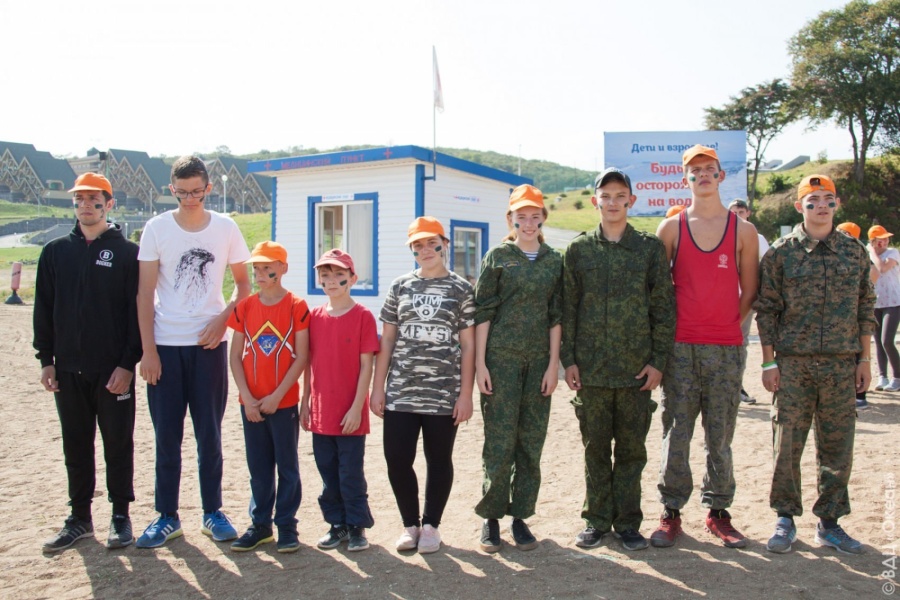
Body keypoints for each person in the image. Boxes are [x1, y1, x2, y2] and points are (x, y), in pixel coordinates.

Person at [135, 156, 251, 548]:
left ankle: (212, 512)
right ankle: (167, 516)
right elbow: (144, 294)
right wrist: (148, 351)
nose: (190, 199)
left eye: (197, 192)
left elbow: (243, 286)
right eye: (182, 192)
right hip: (166, 347)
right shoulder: (156, 228)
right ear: (172, 189)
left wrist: (223, 321)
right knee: (167, 438)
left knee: (210, 436)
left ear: (208, 189)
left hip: (209, 347)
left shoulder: (226, 227)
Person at [755, 174, 875, 554]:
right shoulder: (781, 253)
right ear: (799, 207)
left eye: (828, 199)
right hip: (794, 365)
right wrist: (768, 363)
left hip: (841, 365)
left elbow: (865, 307)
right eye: (813, 200)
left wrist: (865, 359)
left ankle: (831, 522)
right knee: (787, 443)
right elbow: (767, 310)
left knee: (838, 445)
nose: (821, 206)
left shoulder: (854, 252)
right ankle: (785, 518)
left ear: (837, 204)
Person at [653, 145, 759, 549]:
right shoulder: (671, 228)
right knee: (676, 432)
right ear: (686, 178)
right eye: (694, 170)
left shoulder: (743, 231)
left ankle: (718, 512)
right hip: (680, 348)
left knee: (720, 435)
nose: (702, 175)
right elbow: (659, 292)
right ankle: (671, 512)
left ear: (720, 176)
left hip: (726, 349)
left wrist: (726, 325)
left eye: (709, 169)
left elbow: (750, 290)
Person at [563, 169, 675, 551]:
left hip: (635, 372)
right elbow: (568, 308)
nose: (612, 202)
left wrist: (658, 361)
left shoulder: (648, 249)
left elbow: (663, 308)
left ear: (631, 201)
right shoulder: (579, 251)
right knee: (594, 450)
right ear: (595, 201)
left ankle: (628, 523)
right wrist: (568, 360)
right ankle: (596, 520)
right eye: (606, 195)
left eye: (620, 195)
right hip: (591, 372)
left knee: (631, 452)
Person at [33, 173, 142, 553]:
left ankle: (120, 516)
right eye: (79, 199)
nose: (85, 205)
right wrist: (46, 359)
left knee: (118, 443)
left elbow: (137, 314)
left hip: (113, 371)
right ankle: (79, 517)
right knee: (76, 444)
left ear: (108, 204)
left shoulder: (128, 254)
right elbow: (43, 308)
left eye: (94, 199)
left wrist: (128, 364)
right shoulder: (55, 252)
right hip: (67, 370)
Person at [370, 216, 475, 554]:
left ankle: (431, 526)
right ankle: (410, 525)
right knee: (397, 459)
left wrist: (466, 394)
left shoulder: (461, 289)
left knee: (439, 459)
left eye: (432, 243)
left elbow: (469, 345)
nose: (426, 250)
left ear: (444, 244)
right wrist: (378, 387)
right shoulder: (400, 286)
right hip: (401, 390)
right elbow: (387, 340)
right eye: (418, 245)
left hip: (443, 392)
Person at [473, 184, 563, 552]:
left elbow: (557, 315)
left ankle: (521, 516)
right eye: (520, 216)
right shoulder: (497, 256)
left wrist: (553, 365)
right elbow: (483, 311)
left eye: (534, 216)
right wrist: (480, 363)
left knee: (530, 442)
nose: (528, 223)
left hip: (539, 362)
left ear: (543, 218)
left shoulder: (554, 260)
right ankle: (491, 517)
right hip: (501, 360)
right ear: (510, 219)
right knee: (499, 441)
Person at [226, 241, 309, 553]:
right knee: (259, 469)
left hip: (283, 403)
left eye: (268, 267)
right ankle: (260, 525)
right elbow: (235, 356)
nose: (260, 273)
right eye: (256, 268)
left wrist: (277, 395)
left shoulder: (297, 306)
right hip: (251, 405)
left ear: (283, 268)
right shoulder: (245, 307)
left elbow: (301, 356)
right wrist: (247, 398)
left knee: (287, 467)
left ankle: (286, 525)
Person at [302, 249, 380, 552]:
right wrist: (306, 402)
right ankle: (337, 525)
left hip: (350, 413)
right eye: (325, 274)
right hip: (322, 412)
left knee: (350, 473)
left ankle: (357, 526)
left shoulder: (362, 316)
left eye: (338, 274)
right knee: (328, 472)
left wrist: (357, 408)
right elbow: (308, 363)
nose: (331, 280)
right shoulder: (314, 317)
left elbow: (367, 366)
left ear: (352, 278)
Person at [728, 199, 771, 405]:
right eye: (733, 212)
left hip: (745, 298)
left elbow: (768, 266)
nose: (737, 215)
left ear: (748, 213)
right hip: (721, 298)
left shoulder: (757, 237)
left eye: (741, 211)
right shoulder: (720, 233)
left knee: (740, 342)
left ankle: (736, 386)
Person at [836, 222, 879, 410]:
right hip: (840, 313)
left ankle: (860, 394)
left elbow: (875, 273)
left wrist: (857, 292)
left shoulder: (856, 250)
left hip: (851, 312)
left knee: (857, 351)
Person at [867, 225, 900, 393]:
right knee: (878, 342)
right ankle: (882, 377)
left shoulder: (892, 253)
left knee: (887, 340)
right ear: (873, 241)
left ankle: (897, 378)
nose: (885, 241)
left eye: (886, 238)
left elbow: (882, 269)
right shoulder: (866, 254)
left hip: (893, 302)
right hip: (875, 303)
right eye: (881, 239)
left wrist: (872, 253)